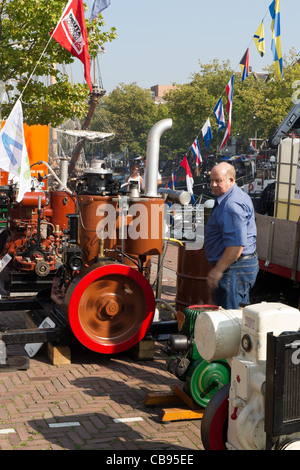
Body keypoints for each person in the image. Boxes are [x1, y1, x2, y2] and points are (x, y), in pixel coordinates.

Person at [204, 161, 259, 309]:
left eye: (218, 181)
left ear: (231, 180)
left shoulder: (231, 205)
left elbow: (236, 247)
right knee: (239, 313)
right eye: (212, 180)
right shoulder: (235, 195)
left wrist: (217, 271)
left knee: (229, 317)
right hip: (240, 266)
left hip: (234, 269)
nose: (213, 184)